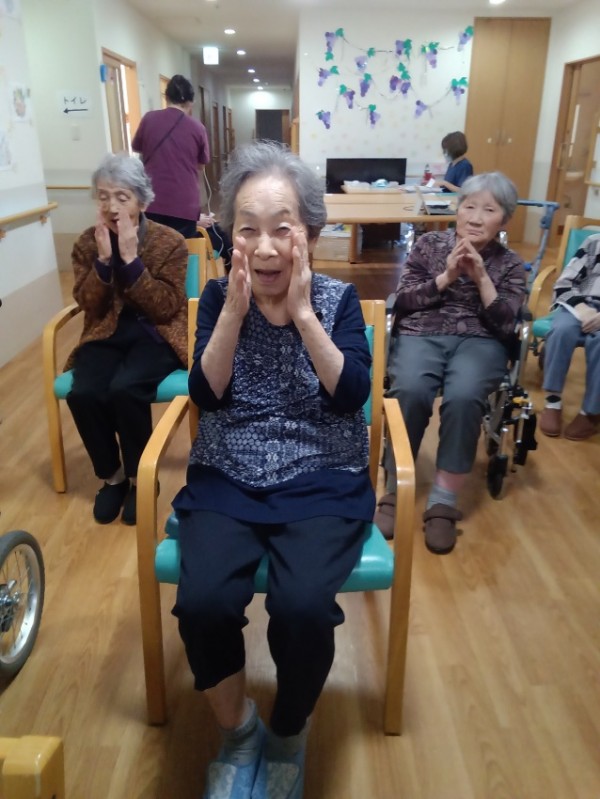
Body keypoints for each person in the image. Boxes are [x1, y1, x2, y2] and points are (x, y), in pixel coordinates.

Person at [171, 140, 375, 799]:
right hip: (228, 471)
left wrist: (306, 316)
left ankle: (288, 730)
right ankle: (238, 731)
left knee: (303, 607)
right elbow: (207, 396)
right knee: (203, 603)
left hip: (323, 474)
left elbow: (350, 395)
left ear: (308, 234)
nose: (263, 248)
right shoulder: (216, 297)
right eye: (246, 229)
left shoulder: (340, 301)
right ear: (229, 237)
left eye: (281, 229)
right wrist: (233, 314)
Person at [376, 172, 526, 554]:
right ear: (457, 210)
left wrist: (481, 278)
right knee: (410, 388)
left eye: (488, 210)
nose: (475, 218)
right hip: (422, 333)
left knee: (464, 396)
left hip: (481, 340)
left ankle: (443, 501)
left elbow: (506, 323)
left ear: (505, 219)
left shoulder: (511, 264)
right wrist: (447, 276)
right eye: (469, 207)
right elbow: (404, 300)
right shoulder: (429, 245)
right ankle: (393, 489)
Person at [65, 153, 188, 526]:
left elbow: (166, 307)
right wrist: (103, 262)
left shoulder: (169, 242)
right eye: (104, 197)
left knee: (126, 388)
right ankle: (113, 477)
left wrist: (132, 261)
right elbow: (87, 304)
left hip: (155, 332)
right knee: (83, 392)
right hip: (105, 330)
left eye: (122, 197)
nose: (112, 206)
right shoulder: (87, 243)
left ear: (142, 202)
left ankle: (140, 479)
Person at [132, 74, 210, 238]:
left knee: (152, 246)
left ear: (166, 97)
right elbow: (201, 165)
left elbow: (137, 147)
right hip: (184, 202)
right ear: (191, 102)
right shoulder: (197, 128)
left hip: (152, 200)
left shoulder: (149, 119)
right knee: (183, 247)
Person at [539, 233, 600, 440]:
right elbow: (564, 283)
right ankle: (552, 401)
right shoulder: (594, 242)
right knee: (561, 331)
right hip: (580, 305)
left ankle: (590, 412)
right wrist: (582, 308)